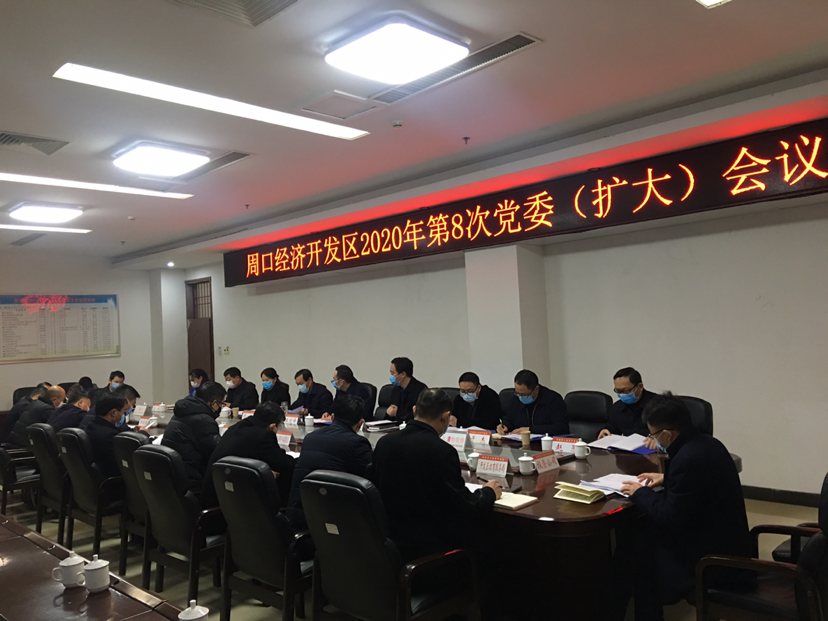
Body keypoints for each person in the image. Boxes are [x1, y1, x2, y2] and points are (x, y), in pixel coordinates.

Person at [612, 393, 752, 621]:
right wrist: (665, 478)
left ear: (667, 434)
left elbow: (670, 517)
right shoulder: (708, 444)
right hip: (726, 540)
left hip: (711, 561)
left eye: (654, 435)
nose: (653, 439)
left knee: (637, 552)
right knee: (638, 538)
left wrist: (640, 492)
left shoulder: (687, 459)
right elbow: (699, 486)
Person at [370, 388, 501, 561]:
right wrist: (488, 492)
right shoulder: (441, 450)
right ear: (446, 417)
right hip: (430, 547)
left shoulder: (384, 443)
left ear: (415, 410)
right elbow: (465, 508)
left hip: (390, 543)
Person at [287, 394, 373, 529]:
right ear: (361, 423)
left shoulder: (310, 438)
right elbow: (372, 479)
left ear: (332, 417)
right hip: (336, 521)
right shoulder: (357, 443)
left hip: (300, 514)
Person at [201, 401, 295, 509]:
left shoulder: (236, 427)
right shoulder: (263, 436)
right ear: (273, 426)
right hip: (227, 506)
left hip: (215, 499)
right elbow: (285, 464)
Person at [163, 381, 225, 490]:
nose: (221, 408)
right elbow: (216, 454)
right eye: (221, 404)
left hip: (172, 477)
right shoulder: (205, 421)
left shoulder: (181, 412)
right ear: (214, 403)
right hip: (192, 481)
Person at [85, 393, 149, 478]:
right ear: (114, 413)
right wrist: (143, 434)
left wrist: (133, 431)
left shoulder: (91, 426)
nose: (123, 415)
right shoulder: (109, 435)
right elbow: (129, 453)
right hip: (115, 478)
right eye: (123, 412)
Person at [497, 369, 568, 436]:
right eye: (517, 393)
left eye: (524, 394)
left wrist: (530, 429)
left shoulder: (553, 400)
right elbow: (509, 419)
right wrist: (505, 426)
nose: (520, 397)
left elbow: (561, 428)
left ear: (536, 389)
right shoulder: (515, 399)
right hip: (520, 442)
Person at [597, 367, 657, 445]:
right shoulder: (617, 407)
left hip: (652, 449)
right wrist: (603, 432)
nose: (622, 394)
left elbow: (669, 432)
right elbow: (611, 430)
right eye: (618, 391)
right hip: (626, 450)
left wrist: (659, 440)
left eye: (626, 391)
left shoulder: (658, 405)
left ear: (640, 387)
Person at [385, 357, 427, 423]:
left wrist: (397, 414)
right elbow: (390, 416)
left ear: (403, 374)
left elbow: (417, 415)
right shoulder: (396, 390)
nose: (391, 376)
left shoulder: (421, 390)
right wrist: (388, 414)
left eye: (393, 373)